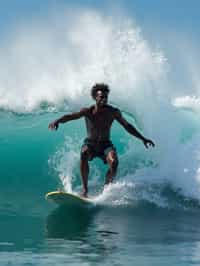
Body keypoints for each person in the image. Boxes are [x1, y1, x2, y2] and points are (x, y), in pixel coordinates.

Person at [49, 83, 155, 197]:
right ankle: (85, 190)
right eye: (101, 97)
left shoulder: (113, 112)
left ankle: (106, 191)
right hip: (90, 144)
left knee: (114, 162)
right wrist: (57, 121)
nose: (104, 99)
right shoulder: (87, 111)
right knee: (84, 152)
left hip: (105, 145)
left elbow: (127, 126)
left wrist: (143, 139)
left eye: (106, 97)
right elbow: (70, 116)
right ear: (95, 97)